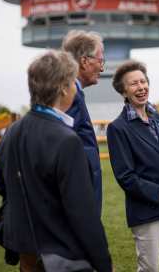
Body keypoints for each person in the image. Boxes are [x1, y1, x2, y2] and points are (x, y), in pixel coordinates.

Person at [0, 50, 112, 272]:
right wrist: (104, 264)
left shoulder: (11, 131)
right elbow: (83, 214)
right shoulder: (67, 140)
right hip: (60, 253)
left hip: (24, 244)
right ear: (63, 88)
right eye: (72, 82)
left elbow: (2, 184)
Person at [107, 60, 159, 272]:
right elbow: (125, 176)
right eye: (134, 84)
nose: (141, 87)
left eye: (143, 81)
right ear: (123, 91)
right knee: (149, 267)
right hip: (146, 208)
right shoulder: (118, 128)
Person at [62, 30, 105, 216]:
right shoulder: (69, 97)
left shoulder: (71, 94)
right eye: (100, 61)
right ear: (85, 61)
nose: (102, 68)